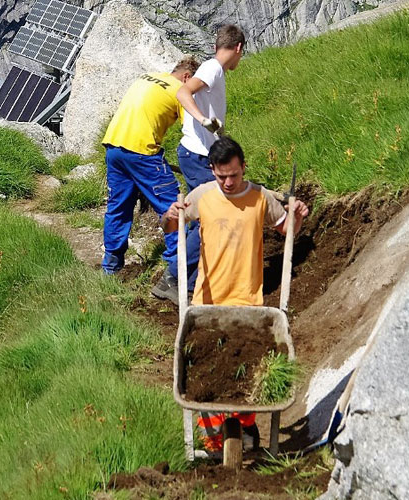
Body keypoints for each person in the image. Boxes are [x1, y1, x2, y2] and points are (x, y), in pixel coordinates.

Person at [161, 136, 309, 451]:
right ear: (212, 170)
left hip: (249, 302)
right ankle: (211, 438)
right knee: (203, 373)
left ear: (243, 167)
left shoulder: (261, 198)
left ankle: (246, 428)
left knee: (250, 372)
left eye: (233, 175)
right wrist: (172, 214)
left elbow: (287, 229)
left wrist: (297, 213)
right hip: (206, 302)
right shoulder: (202, 196)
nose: (228, 182)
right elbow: (170, 227)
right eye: (221, 176)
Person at [151, 24, 245, 304]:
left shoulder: (215, 70)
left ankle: (188, 282)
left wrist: (217, 136)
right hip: (196, 157)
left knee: (200, 218)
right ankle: (172, 276)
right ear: (238, 48)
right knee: (211, 217)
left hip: (199, 155)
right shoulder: (213, 68)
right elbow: (183, 93)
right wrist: (204, 120)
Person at [100, 57, 199, 274]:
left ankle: (111, 267)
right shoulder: (180, 91)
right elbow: (192, 132)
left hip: (114, 147)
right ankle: (178, 265)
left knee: (119, 207)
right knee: (172, 205)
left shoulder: (148, 78)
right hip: (142, 152)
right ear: (187, 77)